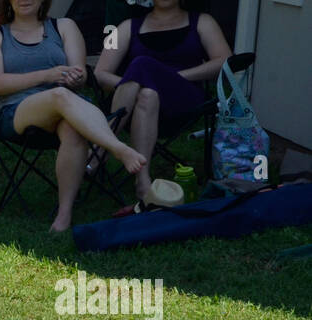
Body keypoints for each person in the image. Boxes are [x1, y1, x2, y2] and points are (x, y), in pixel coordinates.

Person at [0, 0, 148, 231]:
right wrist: (48, 75)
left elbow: (79, 73)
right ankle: (117, 148)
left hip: (69, 109)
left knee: (71, 127)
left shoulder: (64, 26)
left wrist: (75, 78)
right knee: (59, 96)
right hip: (18, 111)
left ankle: (64, 214)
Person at [93, 0, 231, 203]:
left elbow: (224, 60)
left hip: (184, 100)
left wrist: (172, 77)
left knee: (142, 64)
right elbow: (100, 74)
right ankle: (142, 182)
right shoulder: (125, 27)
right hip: (138, 105)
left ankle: (102, 147)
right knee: (148, 94)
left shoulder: (202, 22)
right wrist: (139, 84)